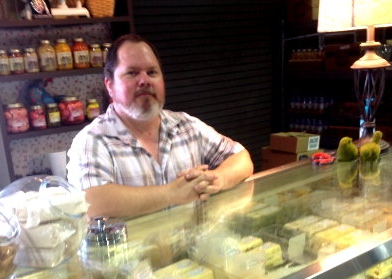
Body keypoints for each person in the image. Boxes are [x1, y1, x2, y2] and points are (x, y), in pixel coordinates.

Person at [67, 34, 253, 218]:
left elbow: (242, 158)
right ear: (110, 86)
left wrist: (216, 180)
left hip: (193, 247)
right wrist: (171, 193)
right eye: (132, 72)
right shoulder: (93, 140)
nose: (145, 80)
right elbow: (92, 200)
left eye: (152, 72)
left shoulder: (187, 126)